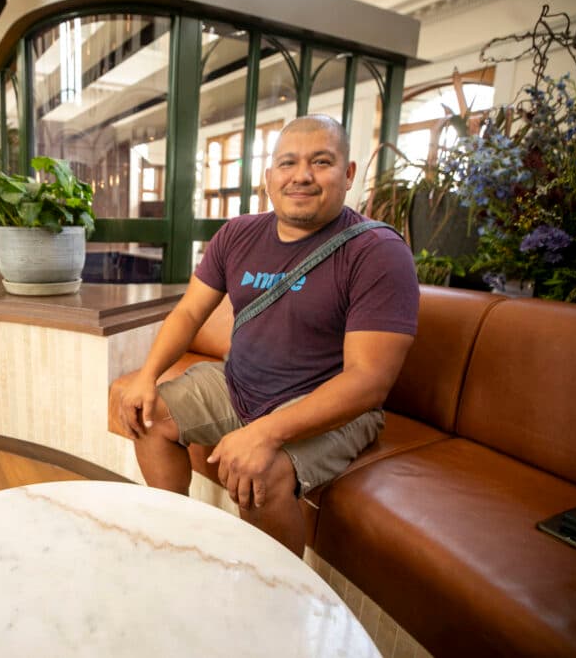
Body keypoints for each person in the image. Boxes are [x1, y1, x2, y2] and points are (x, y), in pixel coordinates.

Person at [113, 115, 419, 556]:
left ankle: (274, 599)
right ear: (268, 176)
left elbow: (369, 379)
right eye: (288, 163)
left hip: (330, 403)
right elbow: (189, 312)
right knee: (146, 413)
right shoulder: (237, 234)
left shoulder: (378, 253)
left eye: (321, 162)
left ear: (348, 174)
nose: (302, 176)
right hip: (240, 384)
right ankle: (172, 543)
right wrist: (147, 375)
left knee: (260, 469)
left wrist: (267, 432)